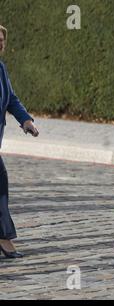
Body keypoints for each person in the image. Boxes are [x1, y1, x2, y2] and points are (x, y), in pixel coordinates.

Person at [0, 24, 39, 258]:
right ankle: (4, 238)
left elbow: (11, 98)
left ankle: (4, 237)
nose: (1, 44)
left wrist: (25, 120)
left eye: (2, 40)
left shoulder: (1, 68)